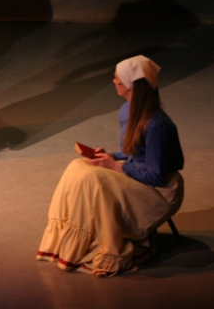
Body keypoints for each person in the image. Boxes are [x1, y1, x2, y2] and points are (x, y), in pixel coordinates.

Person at [37, 55, 185, 276]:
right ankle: (73, 238)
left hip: (159, 189)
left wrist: (115, 166)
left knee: (93, 178)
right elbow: (135, 151)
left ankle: (100, 239)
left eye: (117, 78)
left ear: (130, 85)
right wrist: (110, 156)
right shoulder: (127, 110)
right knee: (78, 166)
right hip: (136, 172)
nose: (114, 81)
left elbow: (157, 176)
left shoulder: (157, 125)